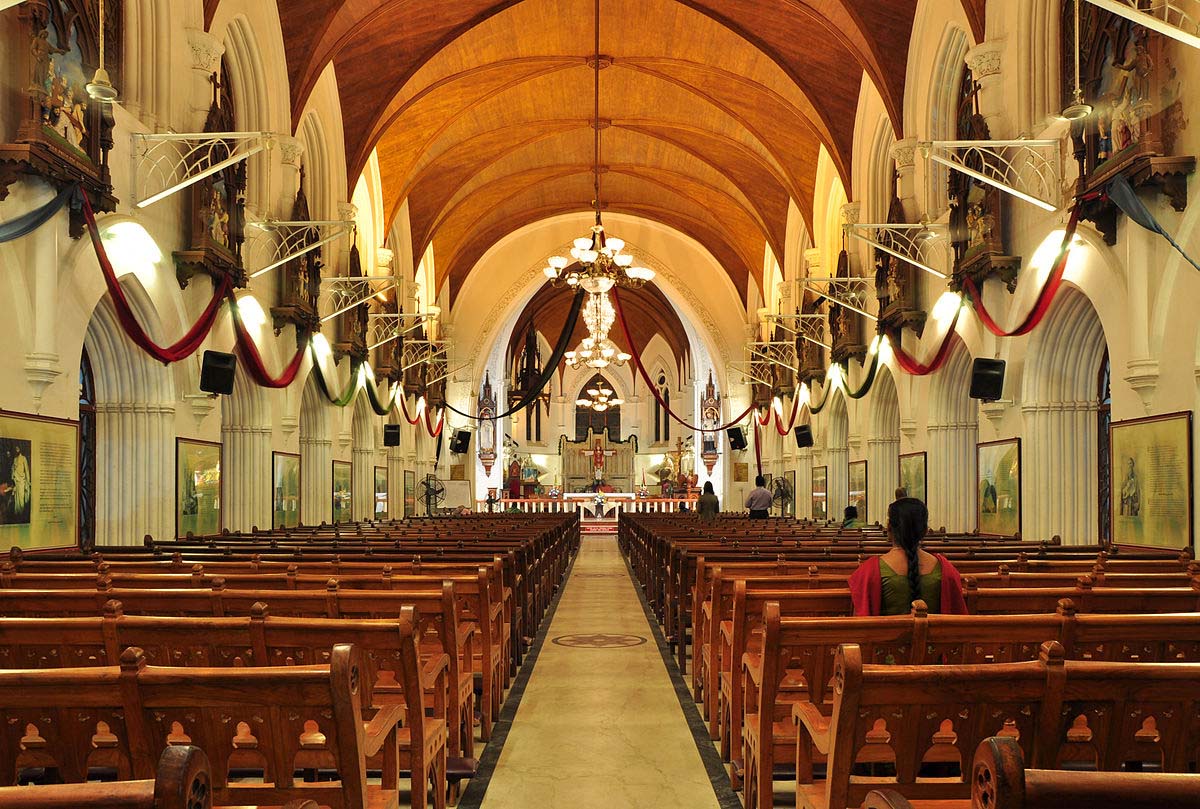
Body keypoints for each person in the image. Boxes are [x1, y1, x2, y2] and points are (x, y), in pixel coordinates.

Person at [848, 497, 967, 616]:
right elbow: (958, 619)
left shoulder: (869, 571)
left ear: (889, 528)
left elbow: (858, 621)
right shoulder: (945, 569)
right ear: (925, 530)